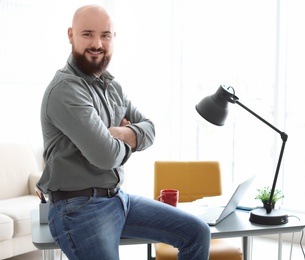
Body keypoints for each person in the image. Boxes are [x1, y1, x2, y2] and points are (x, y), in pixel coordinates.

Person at [36, 4, 210, 260]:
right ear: (71, 35)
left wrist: (118, 133)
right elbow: (105, 156)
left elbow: (150, 128)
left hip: (119, 199)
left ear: (113, 38)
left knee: (197, 233)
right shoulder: (66, 89)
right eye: (87, 34)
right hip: (79, 209)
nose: (97, 43)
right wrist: (129, 137)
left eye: (105, 35)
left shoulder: (112, 86)